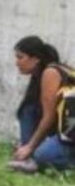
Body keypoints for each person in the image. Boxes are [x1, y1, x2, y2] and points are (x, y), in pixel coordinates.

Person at [7, 36, 75, 173]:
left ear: (35, 59)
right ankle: (28, 155)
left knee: (43, 156)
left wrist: (30, 147)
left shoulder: (50, 73)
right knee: (28, 108)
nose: (17, 63)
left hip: (71, 135)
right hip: (67, 132)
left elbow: (48, 118)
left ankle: (31, 156)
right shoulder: (39, 76)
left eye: (20, 57)